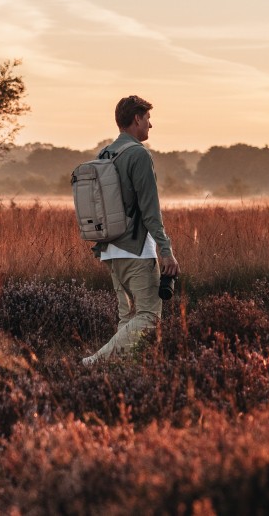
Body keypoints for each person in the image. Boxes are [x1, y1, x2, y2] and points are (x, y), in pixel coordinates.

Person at [82, 95, 180, 365]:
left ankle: (121, 372)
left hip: (109, 249)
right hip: (136, 250)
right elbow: (151, 211)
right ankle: (95, 363)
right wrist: (166, 250)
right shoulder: (138, 154)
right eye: (147, 118)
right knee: (148, 316)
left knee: (127, 318)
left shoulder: (105, 154)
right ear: (137, 119)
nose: (151, 125)